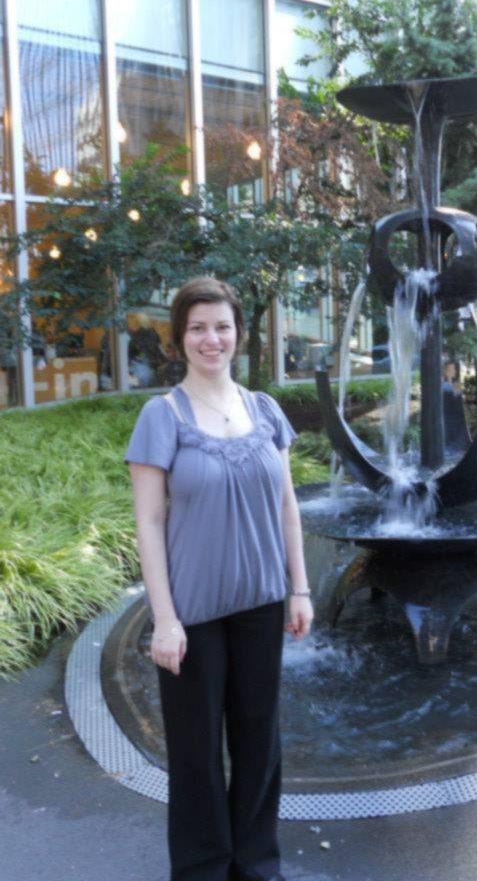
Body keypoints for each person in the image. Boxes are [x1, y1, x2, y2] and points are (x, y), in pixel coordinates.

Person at [126, 277, 313, 881]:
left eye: (223, 326)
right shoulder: (162, 417)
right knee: (196, 752)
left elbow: (287, 504)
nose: (213, 338)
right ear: (180, 339)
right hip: (193, 614)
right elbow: (150, 523)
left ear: (238, 334)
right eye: (199, 327)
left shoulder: (264, 410)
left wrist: (300, 588)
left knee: (260, 743)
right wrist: (165, 618)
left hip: (261, 602)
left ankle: (257, 864)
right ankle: (204, 869)